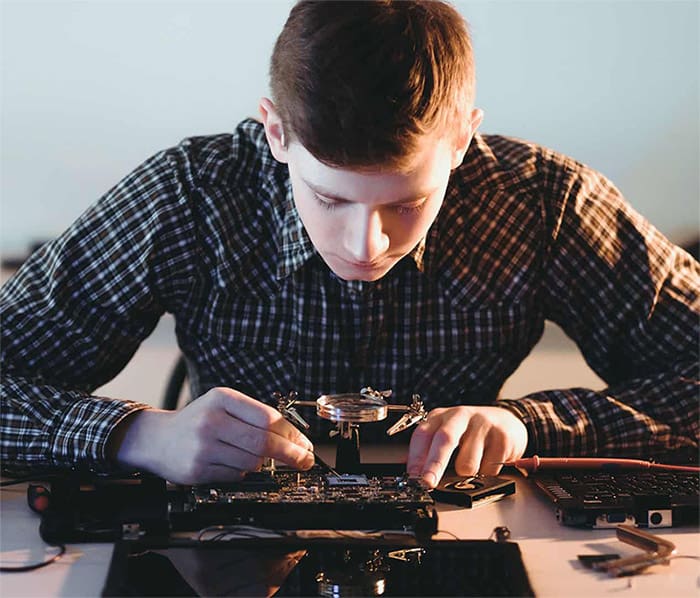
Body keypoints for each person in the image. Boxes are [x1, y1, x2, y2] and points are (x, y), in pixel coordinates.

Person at [1, 0, 697, 488]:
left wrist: (530, 427)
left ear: (462, 137)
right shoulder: (189, 193)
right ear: (276, 133)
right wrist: (138, 435)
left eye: (407, 202)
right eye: (329, 198)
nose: (365, 246)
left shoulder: (543, 201)